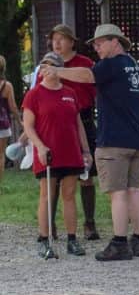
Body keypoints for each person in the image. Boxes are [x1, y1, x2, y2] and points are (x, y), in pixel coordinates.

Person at [45, 23, 139, 261]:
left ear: (115, 42)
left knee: (117, 193)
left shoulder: (110, 65)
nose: (97, 48)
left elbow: (88, 75)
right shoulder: (138, 69)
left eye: (100, 43)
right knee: (135, 190)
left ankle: (119, 242)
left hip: (113, 140)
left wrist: (57, 72)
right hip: (136, 139)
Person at [22, 52, 91, 257]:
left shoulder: (70, 92)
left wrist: (85, 149)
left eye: (51, 64)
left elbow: (77, 124)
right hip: (48, 153)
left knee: (69, 195)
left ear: (59, 69)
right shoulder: (34, 95)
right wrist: (40, 147)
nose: (46, 68)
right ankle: (43, 239)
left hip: (70, 152)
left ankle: (72, 239)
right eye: (43, 64)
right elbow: (28, 127)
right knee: (46, 195)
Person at [49, 24, 101, 240]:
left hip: (83, 120)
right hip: (55, 125)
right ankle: (49, 224)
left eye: (62, 39)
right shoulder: (48, 64)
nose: (57, 43)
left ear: (72, 41)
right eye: (54, 39)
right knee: (53, 177)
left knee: (86, 175)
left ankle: (89, 223)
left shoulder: (85, 64)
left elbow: (95, 90)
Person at [0, 54, 20, 187]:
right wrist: (20, 121)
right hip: (2, 125)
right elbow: (13, 107)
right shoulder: (7, 86)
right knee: (0, 155)